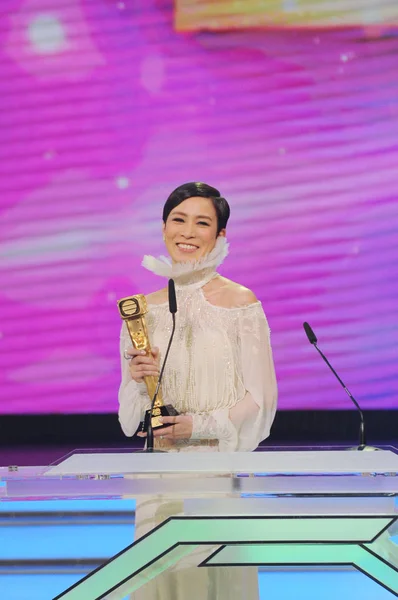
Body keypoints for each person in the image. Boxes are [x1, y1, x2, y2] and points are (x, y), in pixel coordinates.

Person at [118, 182, 278, 599]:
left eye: (202, 222)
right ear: (164, 227)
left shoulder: (240, 302)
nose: (187, 232)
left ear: (220, 235)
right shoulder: (139, 311)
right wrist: (139, 383)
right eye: (178, 220)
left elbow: (260, 400)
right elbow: (128, 420)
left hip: (216, 475)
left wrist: (198, 425)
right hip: (157, 481)